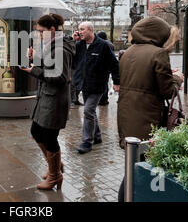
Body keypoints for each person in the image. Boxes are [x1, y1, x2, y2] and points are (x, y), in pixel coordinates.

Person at [116, 16, 183, 202]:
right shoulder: (158, 54)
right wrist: (177, 78)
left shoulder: (128, 52)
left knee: (133, 164)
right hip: (147, 118)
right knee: (148, 166)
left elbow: (141, 80)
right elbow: (167, 91)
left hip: (128, 116)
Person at [21, 14, 75, 190]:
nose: (39, 35)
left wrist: (34, 70)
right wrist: (36, 58)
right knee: (36, 131)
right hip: (47, 97)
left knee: (49, 137)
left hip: (55, 100)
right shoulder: (53, 45)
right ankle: (56, 167)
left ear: (52, 30)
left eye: (41, 31)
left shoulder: (60, 48)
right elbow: (51, 65)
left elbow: (60, 76)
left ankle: (54, 176)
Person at [72, 22, 120, 154]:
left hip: (98, 85)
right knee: (91, 111)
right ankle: (97, 136)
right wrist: (72, 41)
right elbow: (70, 58)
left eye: (82, 29)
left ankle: (87, 142)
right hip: (84, 84)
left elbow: (114, 64)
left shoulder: (103, 45)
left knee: (87, 111)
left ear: (90, 30)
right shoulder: (79, 45)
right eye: (79, 30)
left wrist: (117, 82)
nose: (80, 32)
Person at [96, 31, 115, 106]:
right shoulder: (110, 44)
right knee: (105, 82)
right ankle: (105, 99)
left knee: (102, 83)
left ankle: (102, 99)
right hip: (108, 66)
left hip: (102, 66)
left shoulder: (102, 44)